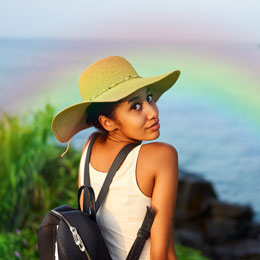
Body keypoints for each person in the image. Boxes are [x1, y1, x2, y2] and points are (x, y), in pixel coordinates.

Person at [51, 55, 181, 260]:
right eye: (135, 106)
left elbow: (88, 217)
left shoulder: (90, 146)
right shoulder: (162, 156)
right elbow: (162, 253)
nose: (152, 111)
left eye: (148, 98)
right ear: (108, 122)